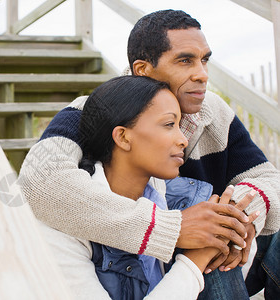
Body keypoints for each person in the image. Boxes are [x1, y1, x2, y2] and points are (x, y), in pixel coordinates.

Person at [19, 9, 280, 299]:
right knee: (210, 238)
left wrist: (238, 218)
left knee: (218, 231)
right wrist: (173, 230)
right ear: (142, 70)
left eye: (204, 59)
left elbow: (267, 178)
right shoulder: (96, 112)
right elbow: (41, 184)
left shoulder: (213, 111)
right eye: (185, 60)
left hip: (211, 248)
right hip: (147, 259)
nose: (202, 74)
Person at [39, 75, 259, 299]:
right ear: (123, 137)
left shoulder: (186, 197)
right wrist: (194, 261)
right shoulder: (61, 227)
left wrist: (234, 229)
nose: (183, 139)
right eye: (169, 124)